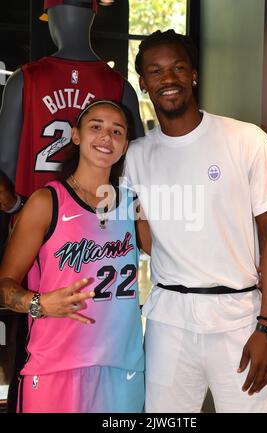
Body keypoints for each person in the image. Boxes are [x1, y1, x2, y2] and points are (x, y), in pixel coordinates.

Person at [124, 29, 267, 413]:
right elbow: (142, 229)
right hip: (169, 322)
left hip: (239, 320)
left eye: (178, 68)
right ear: (143, 83)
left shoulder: (244, 139)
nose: (167, 79)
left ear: (193, 75)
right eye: (155, 71)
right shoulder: (136, 156)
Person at [0, 0, 144, 411]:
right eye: (96, 126)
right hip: (56, 366)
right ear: (76, 136)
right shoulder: (47, 203)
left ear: (125, 143)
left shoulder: (135, 205)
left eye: (117, 130)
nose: (107, 136)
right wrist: (37, 303)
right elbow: (5, 284)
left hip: (122, 368)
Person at [0, 0, 144, 212]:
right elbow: (136, 169)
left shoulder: (23, 79)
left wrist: (16, 208)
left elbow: (5, 163)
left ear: (53, 16)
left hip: (35, 218)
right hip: (97, 223)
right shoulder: (121, 86)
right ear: (91, 16)